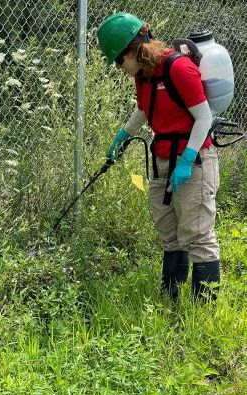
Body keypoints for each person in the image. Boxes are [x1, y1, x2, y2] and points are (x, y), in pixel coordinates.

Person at [97, 12, 220, 301]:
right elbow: (144, 108)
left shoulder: (179, 69)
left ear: (134, 49)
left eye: (118, 59)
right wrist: (123, 135)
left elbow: (203, 117)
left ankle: (203, 310)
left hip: (195, 160)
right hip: (163, 158)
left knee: (197, 234)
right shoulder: (143, 74)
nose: (118, 67)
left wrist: (188, 160)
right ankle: (171, 298)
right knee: (169, 233)